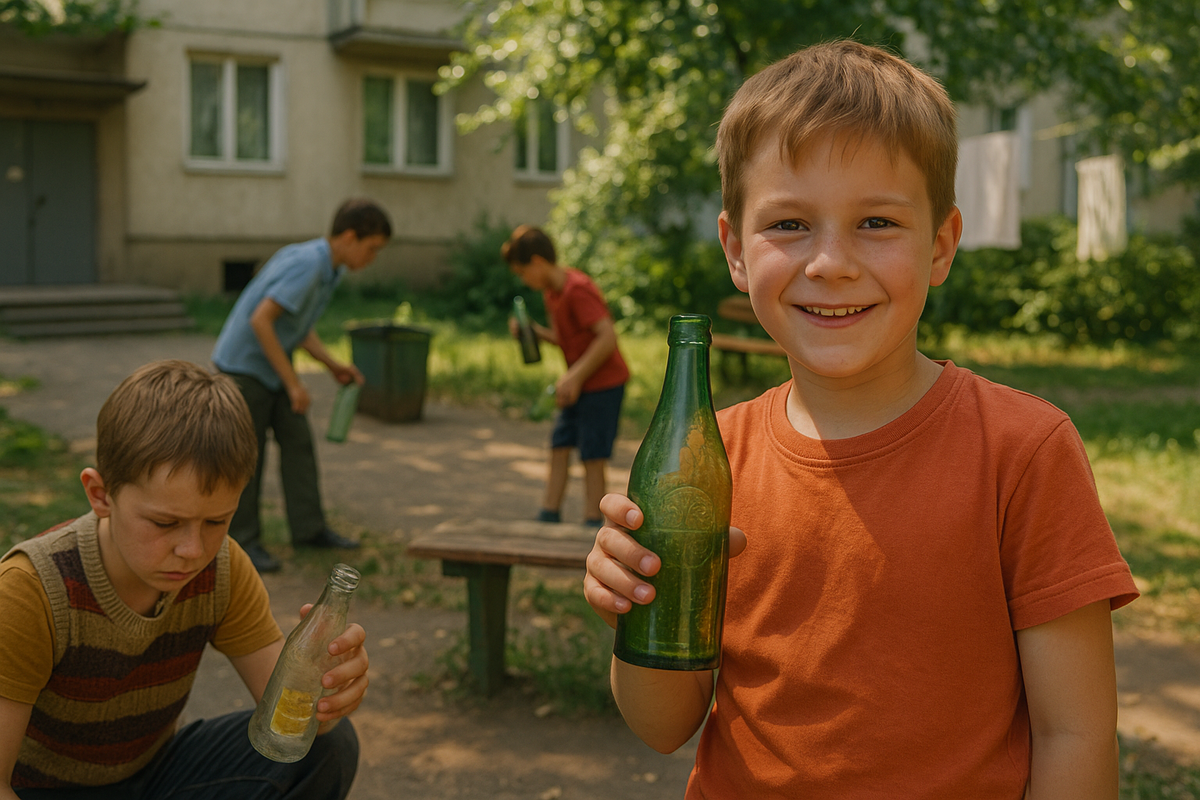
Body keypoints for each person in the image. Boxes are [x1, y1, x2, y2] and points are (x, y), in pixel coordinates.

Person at [583, 40, 1139, 798]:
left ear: (941, 244)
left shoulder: (1024, 450)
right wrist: (635, 612)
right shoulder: (711, 459)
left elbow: (1074, 733)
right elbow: (661, 726)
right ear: (735, 252)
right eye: (788, 226)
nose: (831, 262)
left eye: (877, 222)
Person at [0, 359, 368, 799]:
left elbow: (288, 717)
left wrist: (327, 698)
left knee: (329, 746)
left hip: (154, 776)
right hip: (43, 790)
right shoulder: (30, 591)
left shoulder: (223, 568)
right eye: (163, 523)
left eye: (216, 521)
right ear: (101, 495)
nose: (193, 551)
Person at [212, 198, 392, 573]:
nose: (373, 258)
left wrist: (332, 366)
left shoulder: (331, 268)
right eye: (371, 248)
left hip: (271, 367)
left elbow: (295, 323)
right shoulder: (308, 265)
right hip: (243, 371)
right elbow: (262, 321)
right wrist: (294, 383)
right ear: (347, 236)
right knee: (248, 458)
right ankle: (243, 543)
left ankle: (309, 530)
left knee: (298, 444)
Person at [502, 225, 630, 526]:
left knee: (592, 454)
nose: (524, 280)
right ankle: (549, 514)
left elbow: (607, 336)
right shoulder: (553, 294)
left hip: (603, 385)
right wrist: (533, 332)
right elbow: (565, 339)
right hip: (577, 384)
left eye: (523, 272)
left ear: (537, 261)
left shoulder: (577, 290)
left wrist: (575, 376)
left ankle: (591, 523)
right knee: (560, 444)